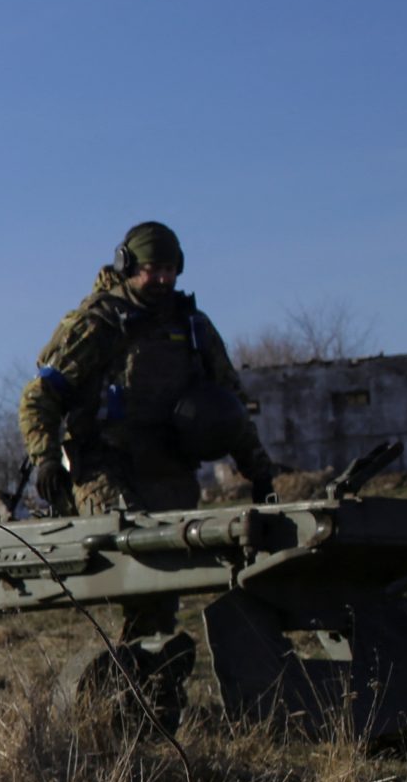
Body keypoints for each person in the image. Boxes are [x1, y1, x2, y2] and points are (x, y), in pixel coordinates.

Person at [19, 223, 279, 662]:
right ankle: (137, 669)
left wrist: (259, 469)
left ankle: (147, 672)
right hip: (104, 467)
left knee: (161, 590)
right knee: (136, 554)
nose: (160, 280)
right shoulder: (98, 323)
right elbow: (38, 397)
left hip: (170, 471)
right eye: (151, 271)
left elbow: (229, 405)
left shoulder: (193, 327)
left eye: (169, 271)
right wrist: (45, 458)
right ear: (127, 266)